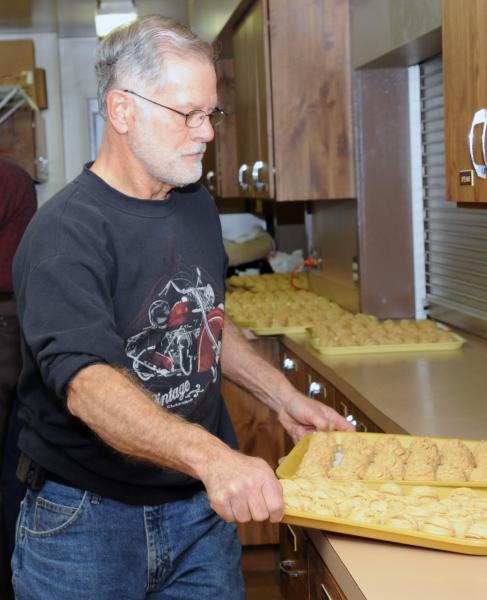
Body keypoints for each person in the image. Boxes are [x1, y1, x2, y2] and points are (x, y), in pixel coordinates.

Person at [10, 15, 353, 600]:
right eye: (188, 114)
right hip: (85, 525)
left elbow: (205, 320)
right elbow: (88, 385)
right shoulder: (63, 233)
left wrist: (281, 396)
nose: (207, 134)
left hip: (196, 514)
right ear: (122, 111)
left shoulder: (194, 204)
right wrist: (215, 458)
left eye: (210, 114)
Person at [0, 158, 36, 600]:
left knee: (12, 472)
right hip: (12, 333)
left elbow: (11, 270)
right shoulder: (14, 178)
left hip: (7, 332)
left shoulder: (9, 180)